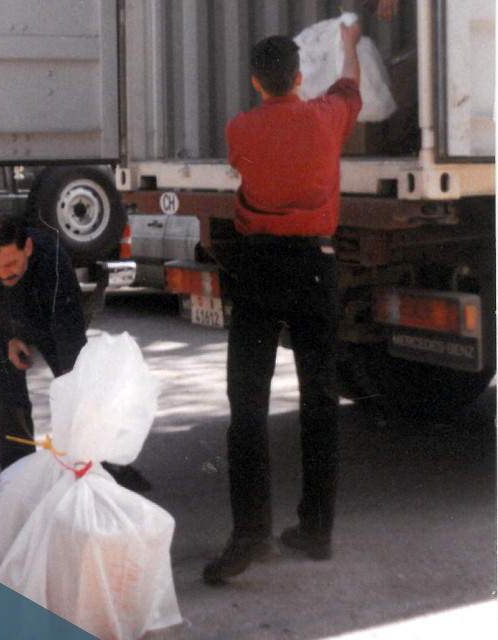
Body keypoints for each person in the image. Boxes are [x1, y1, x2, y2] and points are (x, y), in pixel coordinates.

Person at [202, 23, 363, 585]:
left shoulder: (241, 128)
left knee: (247, 400)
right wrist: (348, 42)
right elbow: (351, 86)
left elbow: (247, 171)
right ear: (299, 77)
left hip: (260, 265)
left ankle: (252, 532)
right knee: (320, 397)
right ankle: (316, 529)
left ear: (255, 81)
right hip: (316, 266)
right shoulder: (327, 116)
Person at [0, 214, 152, 491]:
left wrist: (70, 370)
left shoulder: (50, 254)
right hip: (3, 322)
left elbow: (67, 318)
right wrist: (8, 338)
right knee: (10, 393)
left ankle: (103, 466)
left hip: (48, 320)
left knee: (78, 389)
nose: (4, 273)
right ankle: (17, 475)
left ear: (27, 247)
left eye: (12, 263)